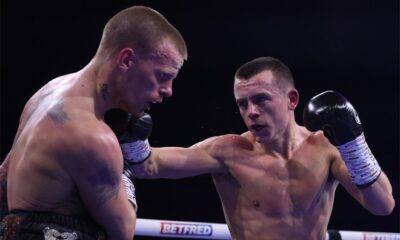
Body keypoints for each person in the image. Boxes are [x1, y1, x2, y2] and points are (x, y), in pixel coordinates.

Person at [108, 57, 395, 240]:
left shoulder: (325, 148)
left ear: (291, 99)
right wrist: (133, 138)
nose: (251, 112)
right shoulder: (228, 151)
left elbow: (383, 205)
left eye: (260, 100)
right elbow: (147, 166)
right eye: (243, 104)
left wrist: (352, 141)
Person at [0, 5, 187, 240]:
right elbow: (124, 230)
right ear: (127, 60)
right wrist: (123, 158)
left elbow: (4, 181)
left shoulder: (48, 92)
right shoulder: (91, 135)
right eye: (162, 76)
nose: (168, 91)